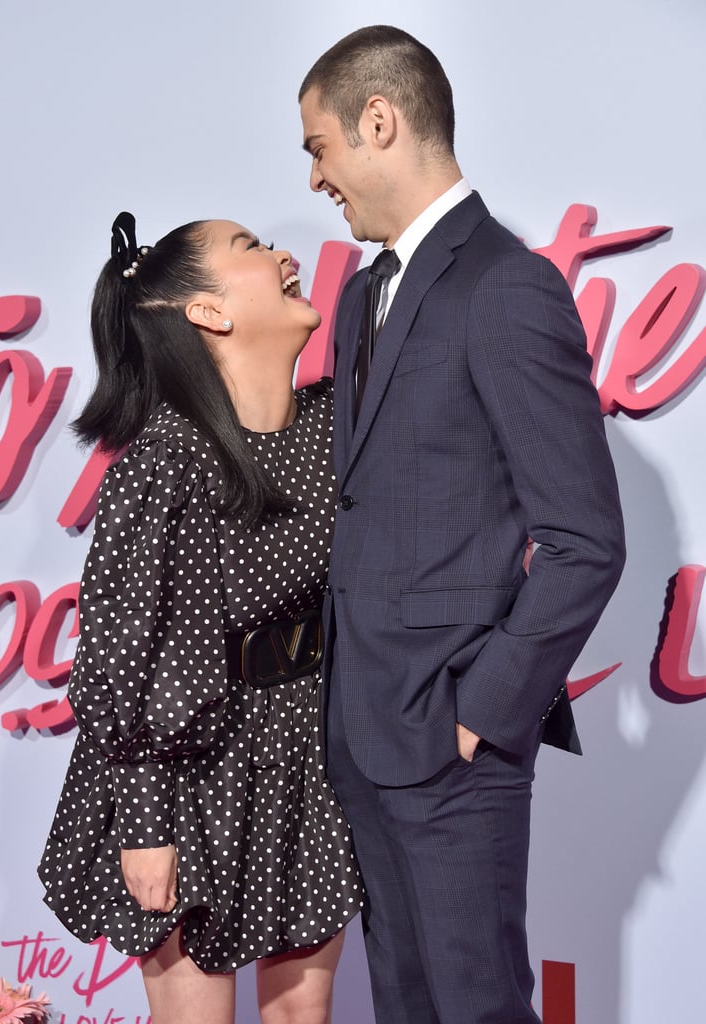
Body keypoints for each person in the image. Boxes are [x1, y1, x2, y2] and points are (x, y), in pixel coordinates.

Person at [298, 25, 626, 1024]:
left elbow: (583, 541)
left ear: (379, 121)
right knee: (402, 1005)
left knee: (474, 1007)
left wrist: (480, 709)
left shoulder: (506, 286)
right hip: (363, 731)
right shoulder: (360, 295)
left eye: (318, 146)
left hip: (450, 744)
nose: (314, 177)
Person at [38, 212, 362, 1024]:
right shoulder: (165, 462)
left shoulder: (332, 427)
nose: (287, 256)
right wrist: (145, 824)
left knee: (302, 1016)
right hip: (188, 774)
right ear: (208, 314)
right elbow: (129, 655)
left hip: (305, 757)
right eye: (251, 249)